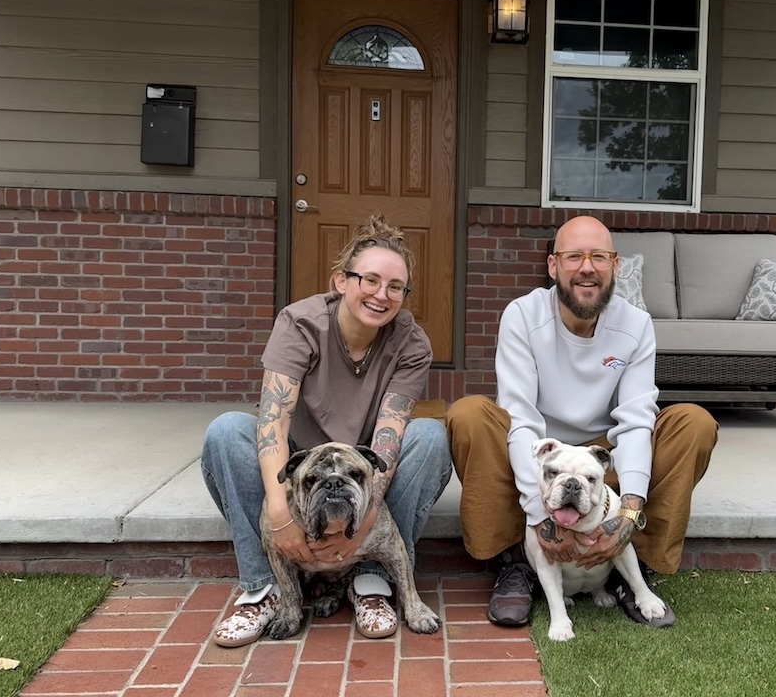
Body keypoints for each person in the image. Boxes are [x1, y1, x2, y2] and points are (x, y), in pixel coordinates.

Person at [446, 215, 718, 629]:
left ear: (616, 265)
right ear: (553, 265)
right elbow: (521, 419)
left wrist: (628, 514)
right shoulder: (522, 315)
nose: (586, 268)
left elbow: (635, 421)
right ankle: (515, 560)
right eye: (573, 256)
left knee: (692, 423)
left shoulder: (636, 324)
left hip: (602, 454)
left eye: (599, 257)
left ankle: (631, 566)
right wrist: (540, 514)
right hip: (540, 451)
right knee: (470, 415)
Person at [201, 214, 451, 647]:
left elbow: (389, 438)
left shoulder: (411, 342)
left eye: (395, 287)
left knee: (429, 437)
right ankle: (264, 587)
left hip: (363, 463)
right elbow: (273, 422)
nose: (381, 295)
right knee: (227, 432)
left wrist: (362, 525)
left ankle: (371, 580)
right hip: (299, 458)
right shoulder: (300, 323)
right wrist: (281, 516)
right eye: (370, 280)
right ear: (341, 280)